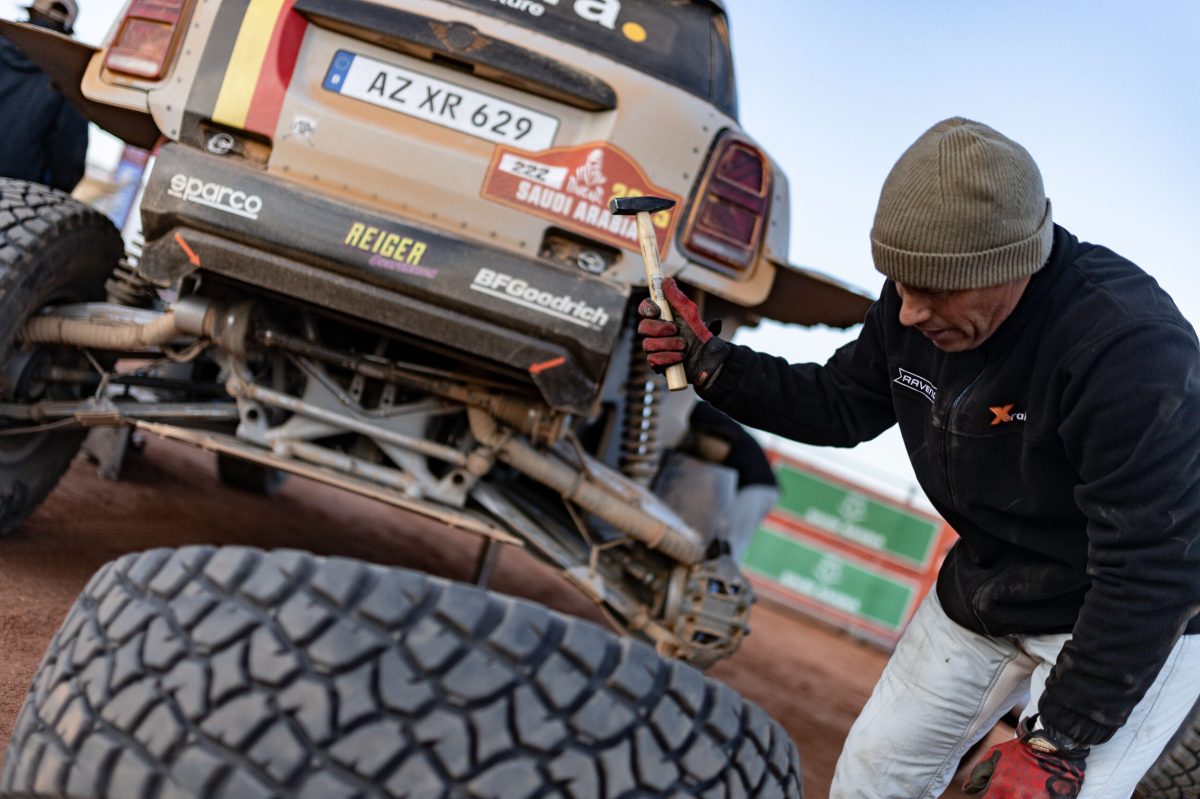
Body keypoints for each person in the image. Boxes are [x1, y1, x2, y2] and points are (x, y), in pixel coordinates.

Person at [637, 117, 1200, 798]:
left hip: (1128, 619)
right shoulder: (917, 299)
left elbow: (1153, 561)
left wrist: (1060, 740)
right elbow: (839, 402)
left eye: (932, 290)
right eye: (900, 285)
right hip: (993, 582)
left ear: (1008, 267)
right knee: (873, 778)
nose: (907, 313)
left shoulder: (1130, 349)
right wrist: (715, 366)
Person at [0, 0, 88, 193]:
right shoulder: (67, 80)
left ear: (31, 13)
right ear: (67, 30)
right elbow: (68, 163)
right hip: (11, 197)